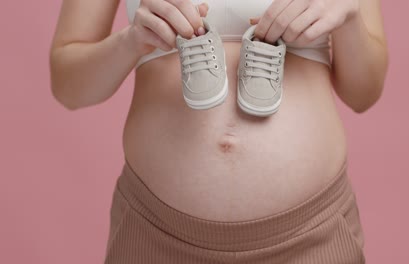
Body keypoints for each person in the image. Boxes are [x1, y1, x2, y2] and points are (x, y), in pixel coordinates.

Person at [49, 0, 388, 263]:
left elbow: (363, 93)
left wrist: (350, 16)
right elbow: (68, 86)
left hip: (312, 236)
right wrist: (132, 40)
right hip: (155, 235)